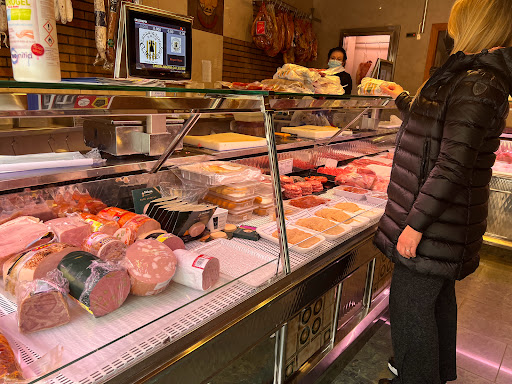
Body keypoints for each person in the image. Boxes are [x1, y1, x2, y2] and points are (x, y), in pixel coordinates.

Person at [373, 0, 512, 383]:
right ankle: (435, 376)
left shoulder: (478, 80)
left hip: (434, 225)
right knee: (437, 304)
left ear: (475, 24)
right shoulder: (475, 75)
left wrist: (415, 225)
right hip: (445, 223)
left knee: (410, 311)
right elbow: (439, 125)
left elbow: (453, 163)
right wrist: (401, 96)